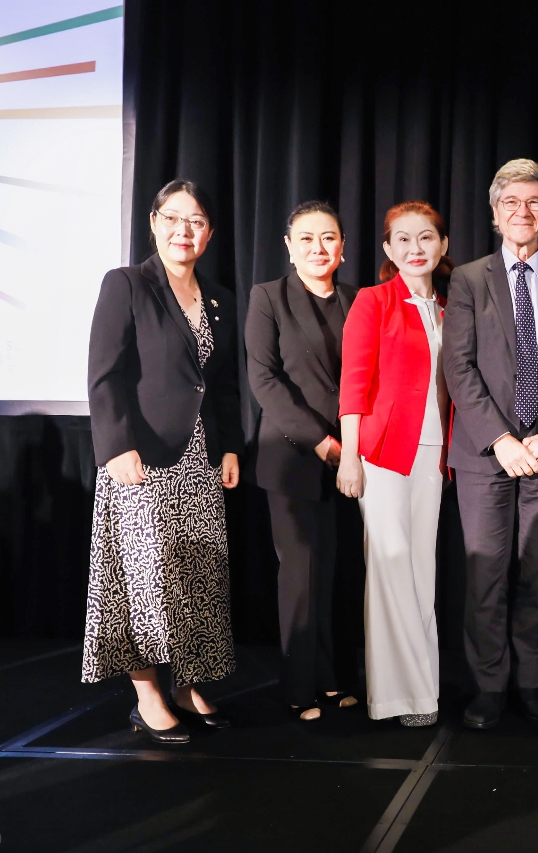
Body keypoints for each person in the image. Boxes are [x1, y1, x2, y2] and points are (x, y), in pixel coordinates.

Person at [84, 179, 242, 743]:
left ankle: (188, 685)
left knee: (197, 575)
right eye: (174, 219)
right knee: (143, 579)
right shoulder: (127, 284)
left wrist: (228, 445)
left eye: (196, 221)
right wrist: (115, 446)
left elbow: (222, 386)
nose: (185, 231)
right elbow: (105, 374)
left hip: (198, 457)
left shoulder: (221, 298)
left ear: (210, 232)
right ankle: (147, 694)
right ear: (153, 223)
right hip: (140, 457)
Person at [444, 159, 538, 730]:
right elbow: (458, 368)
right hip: (488, 457)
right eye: (512, 202)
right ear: (494, 213)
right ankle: (488, 688)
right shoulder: (467, 279)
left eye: (533, 202)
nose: (522, 211)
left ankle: (531, 685)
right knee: (485, 580)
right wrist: (502, 439)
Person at [336, 201, 454, 727]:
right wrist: (351, 457)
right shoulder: (374, 301)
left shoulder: (455, 307)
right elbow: (353, 384)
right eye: (402, 239)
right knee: (389, 567)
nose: (415, 248)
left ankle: (422, 689)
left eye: (425, 237)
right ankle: (397, 698)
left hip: (436, 455)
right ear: (388, 249)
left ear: (442, 245)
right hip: (382, 454)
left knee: (420, 570)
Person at [245, 201, 360, 721]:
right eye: (307, 238)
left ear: (343, 246)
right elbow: (264, 380)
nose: (319, 248)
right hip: (294, 458)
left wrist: (352, 447)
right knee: (301, 576)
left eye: (329, 238)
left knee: (339, 575)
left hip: (354, 460)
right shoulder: (268, 297)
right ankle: (299, 688)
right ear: (289, 247)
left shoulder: (360, 299)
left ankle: (335, 679)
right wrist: (322, 442)